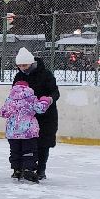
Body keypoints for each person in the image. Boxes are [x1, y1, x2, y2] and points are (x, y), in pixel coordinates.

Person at [14, 46, 60, 180]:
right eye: (20, 65)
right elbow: (14, 93)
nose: (22, 68)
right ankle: (25, 168)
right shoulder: (19, 76)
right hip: (26, 116)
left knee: (43, 143)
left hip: (46, 115)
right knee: (25, 143)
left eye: (25, 65)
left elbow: (55, 92)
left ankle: (41, 169)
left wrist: (49, 99)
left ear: (32, 62)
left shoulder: (46, 75)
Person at [0, 74, 52, 182]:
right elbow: (40, 109)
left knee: (15, 151)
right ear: (28, 88)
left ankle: (16, 170)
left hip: (13, 132)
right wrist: (45, 100)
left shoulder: (10, 99)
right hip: (28, 131)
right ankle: (28, 169)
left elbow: (3, 112)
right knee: (29, 151)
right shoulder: (31, 98)